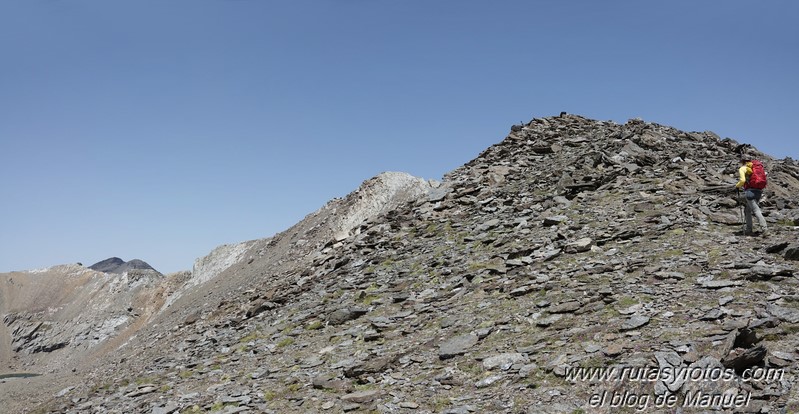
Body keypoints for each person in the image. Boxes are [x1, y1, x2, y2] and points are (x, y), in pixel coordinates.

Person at [735, 156, 768, 235]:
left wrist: (737, 186)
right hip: (758, 192)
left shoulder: (743, 168)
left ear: (743, 162)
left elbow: (742, 180)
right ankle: (749, 229)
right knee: (747, 210)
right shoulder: (756, 168)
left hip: (750, 192)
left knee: (756, 210)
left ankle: (765, 229)